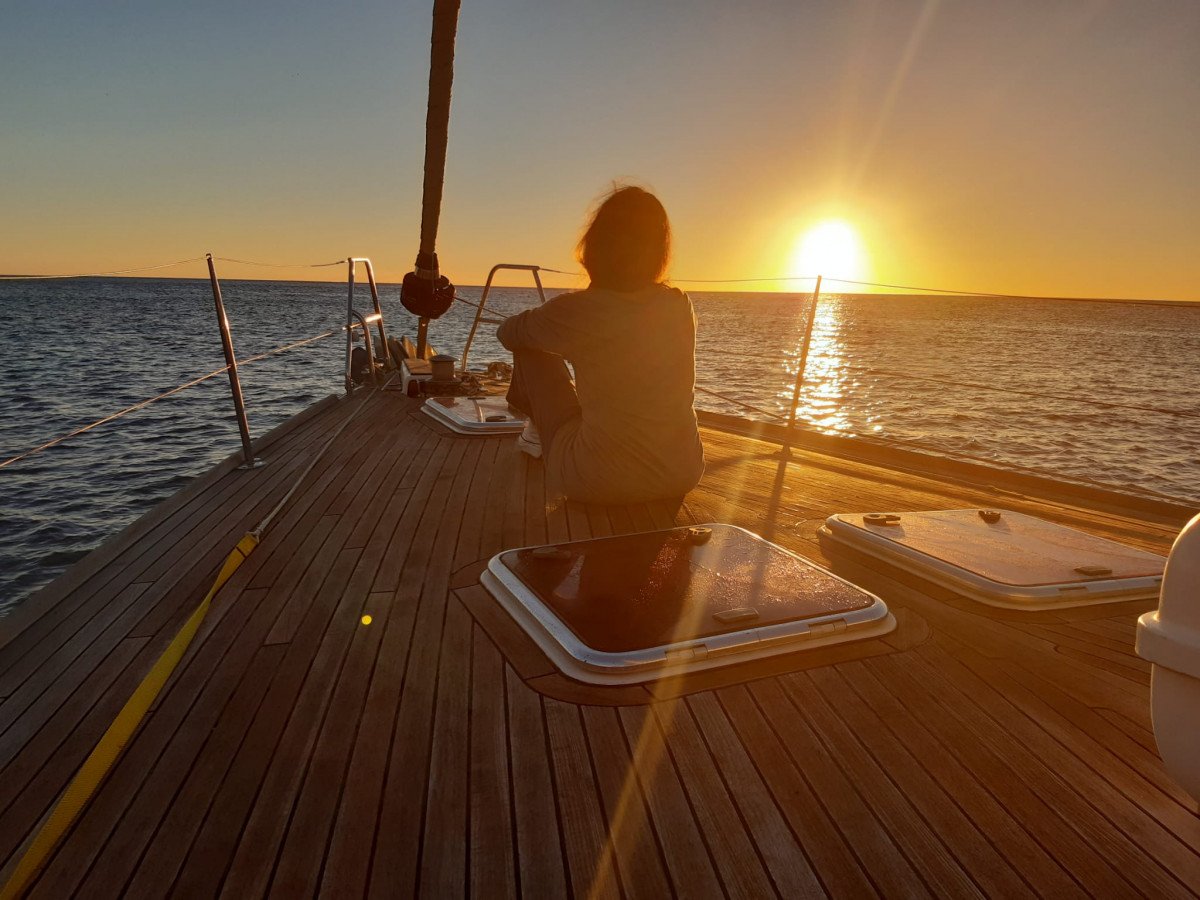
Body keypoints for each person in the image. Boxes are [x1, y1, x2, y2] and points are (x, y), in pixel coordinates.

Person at [497, 185, 705, 505]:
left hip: (600, 479)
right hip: (682, 474)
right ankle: (548, 436)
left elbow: (508, 334)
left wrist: (548, 324)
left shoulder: (578, 310)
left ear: (596, 244)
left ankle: (537, 437)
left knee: (529, 348)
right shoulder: (679, 304)